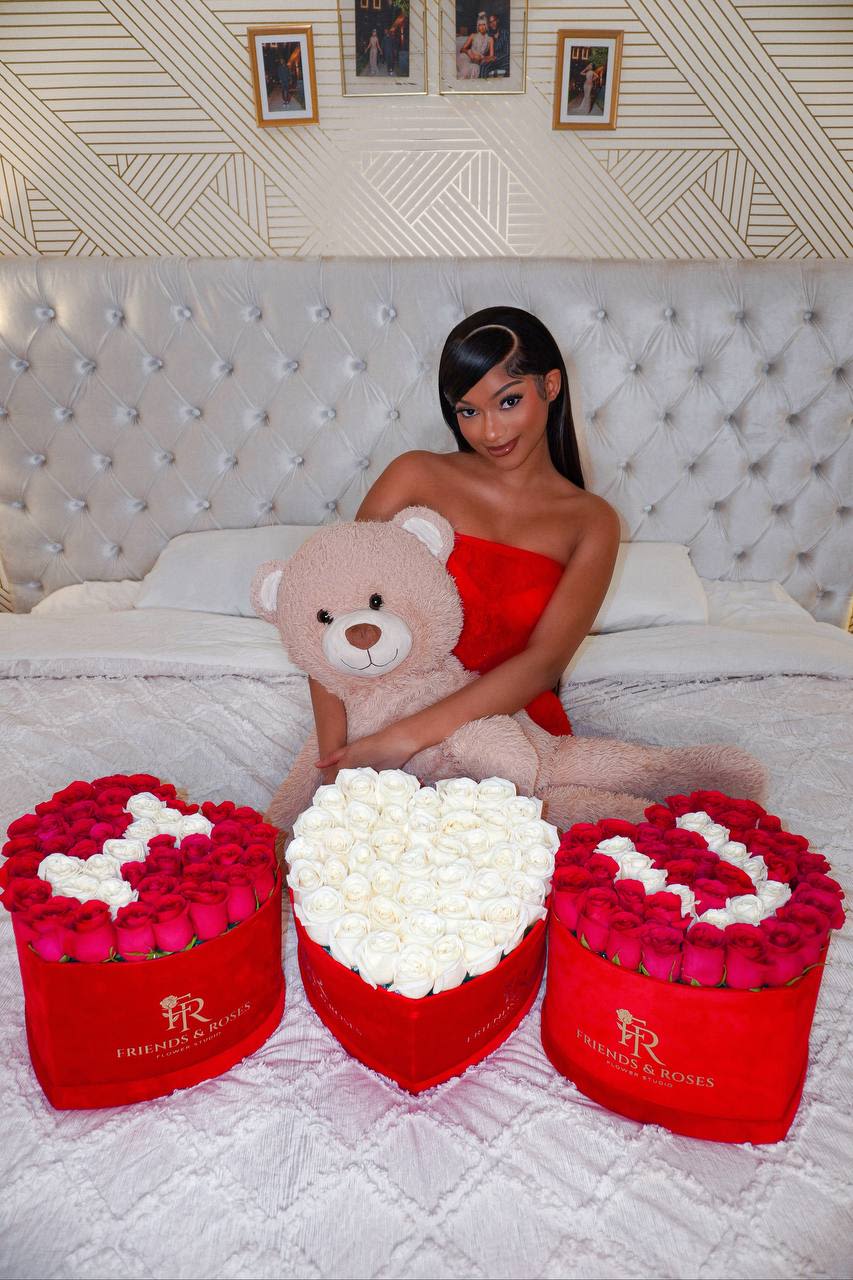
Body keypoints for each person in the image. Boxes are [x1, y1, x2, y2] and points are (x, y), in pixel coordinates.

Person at [311, 306, 621, 780]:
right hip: (383, 715)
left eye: (509, 402)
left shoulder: (591, 522)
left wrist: (406, 738)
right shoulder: (414, 476)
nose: (489, 431)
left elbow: (542, 664)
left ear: (550, 386)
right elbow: (328, 609)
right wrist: (335, 758)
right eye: (469, 411)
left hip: (511, 731)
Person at [457, 13, 493, 79]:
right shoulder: (473, 36)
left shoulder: (490, 39)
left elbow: (491, 56)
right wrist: (469, 52)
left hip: (478, 61)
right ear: (477, 26)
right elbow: (462, 49)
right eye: (479, 25)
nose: (481, 27)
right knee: (466, 68)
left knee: (475, 68)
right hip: (466, 57)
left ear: (486, 26)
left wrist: (482, 58)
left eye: (484, 25)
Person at [480, 12, 509, 78]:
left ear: (498, 21)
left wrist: (494, 58)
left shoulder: (505, 33)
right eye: (490, 22)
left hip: (504, 61)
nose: (492, 24)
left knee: (484, 66)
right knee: (483, 65)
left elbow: (507, 53)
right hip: (494, 61)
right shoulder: (490, 35)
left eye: (494, 21)